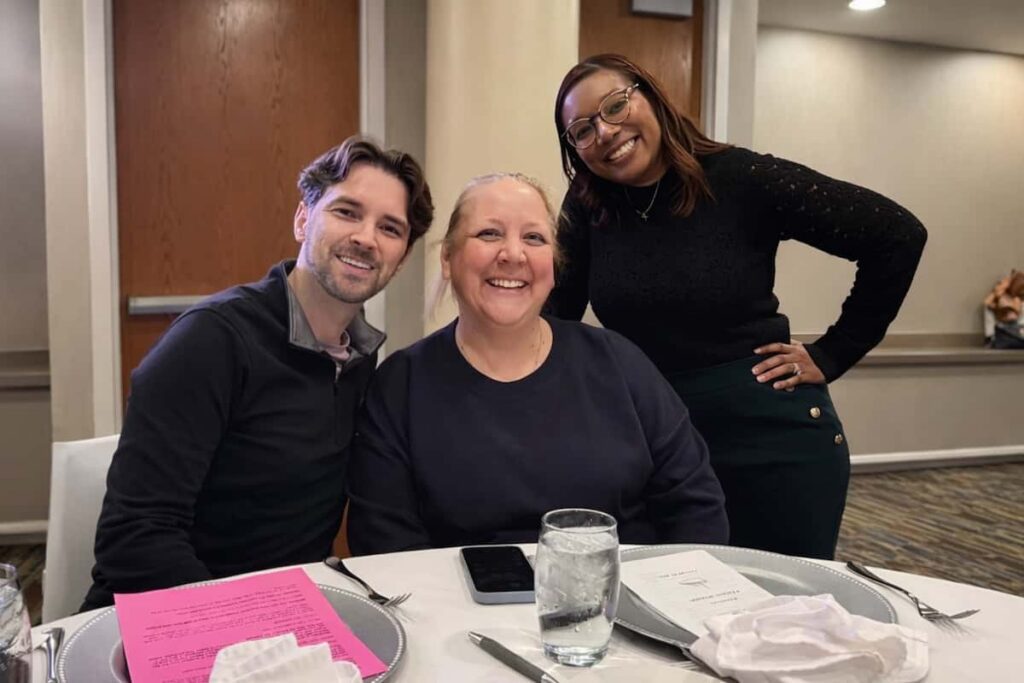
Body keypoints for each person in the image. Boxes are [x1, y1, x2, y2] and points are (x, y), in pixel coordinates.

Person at [548, 54, 927, 560]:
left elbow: (896, 235)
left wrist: (835, 352)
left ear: (651, 97)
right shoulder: (589, 205)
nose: (606, 132)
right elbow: (555, 314)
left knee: (777, 602)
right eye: (582, 130)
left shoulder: (741, 177)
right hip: (655, 443)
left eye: (615, 106)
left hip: (770, 444)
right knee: (663, 598)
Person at [81, 136, 434, 609]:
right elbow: (135, 539)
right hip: (166, 616)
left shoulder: (360, 360)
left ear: (402, 257)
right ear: (303, 219)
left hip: (283, 613)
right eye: (347, 212)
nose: (366, 238)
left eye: (390, 228)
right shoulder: (211, 340)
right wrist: (242, 629)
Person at [346, 173, 727, 555]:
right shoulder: (401, 385)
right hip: (458, 594)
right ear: (448, 258)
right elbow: (386, 545)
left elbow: (696, 506)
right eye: (489, 234)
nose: (514, 254)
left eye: (534, 238)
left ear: (554, 265)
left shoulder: (619, 362)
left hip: (621, 590)